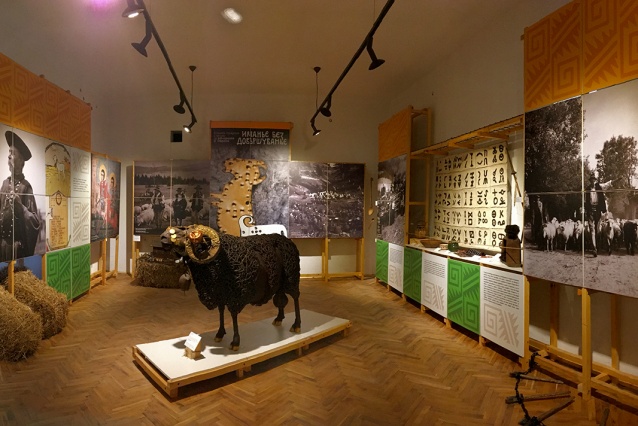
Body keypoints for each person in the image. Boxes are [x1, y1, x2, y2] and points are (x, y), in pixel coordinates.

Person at [0, 131, 41, 261]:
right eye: (9, 152)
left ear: (21, 160)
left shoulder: (26, 187)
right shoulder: (4, 184)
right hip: (2, 247)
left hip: (17, 249)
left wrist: (20, 207)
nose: (9, 156)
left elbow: (35, 222)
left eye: (13, 153)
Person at [584, 173, 612, 257]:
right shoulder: (587, 189)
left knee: (597, 230)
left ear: (595, 180)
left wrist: (616, 180)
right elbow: (585, 200)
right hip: (590, 211)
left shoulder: (599, 187)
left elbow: (608, 184)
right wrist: (585, 210)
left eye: (594, 180)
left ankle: (598, 245)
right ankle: (594, 249)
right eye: (591, 180)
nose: (592, 181)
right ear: (590, 181)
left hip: (597, 210)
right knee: (592, 230)